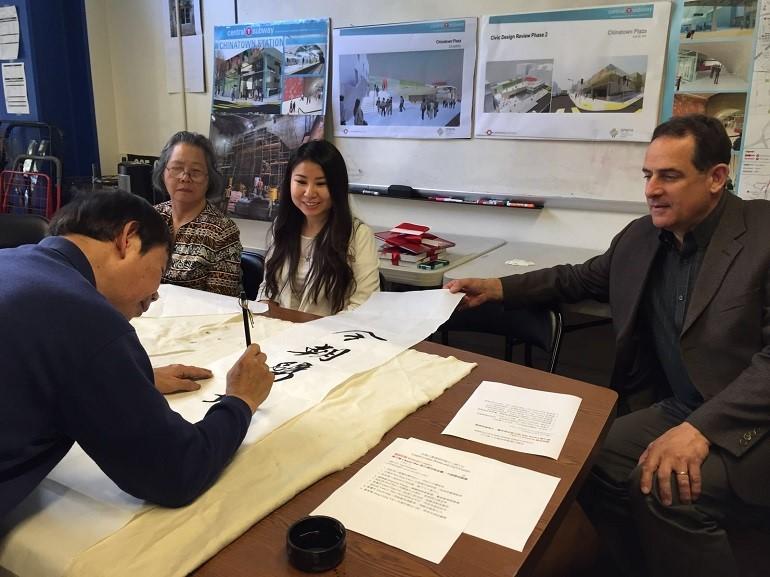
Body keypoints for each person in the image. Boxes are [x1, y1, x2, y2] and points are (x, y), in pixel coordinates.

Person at [446, 114, 770, 577]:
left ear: (716, 177)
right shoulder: (642, 237)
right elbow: (579, 278)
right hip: (679, 407)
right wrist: (498, 287)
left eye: (670, 176)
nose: (652, 190)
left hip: (749, 419)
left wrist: (702, 429)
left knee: (666, 487)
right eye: (648, 175)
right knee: (589, 461)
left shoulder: (762, 235)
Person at [0, 190, 274, 519]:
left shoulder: (11, 261)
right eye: (160, 268)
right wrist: (241, 400)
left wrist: (127, 378)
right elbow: (175, 470)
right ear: (128, 238)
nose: (155, 296)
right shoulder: (82, 315)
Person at [258, 139, 379, 315]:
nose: (309, 193)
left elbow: (363, 306)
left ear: (337, 187)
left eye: (321, 184)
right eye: (301, 182)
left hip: (332, 331)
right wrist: (263, 315)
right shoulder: (282, 225)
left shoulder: (358, 235)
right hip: (280, 329)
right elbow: (269, 287)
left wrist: (311, 328)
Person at [152, 131, 242, 297]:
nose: (185, 177)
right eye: (177, 168)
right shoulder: (150, 217)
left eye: (196, 171)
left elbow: (220, 301)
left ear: (209, 179)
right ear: (163, 172)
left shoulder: (222, 231)